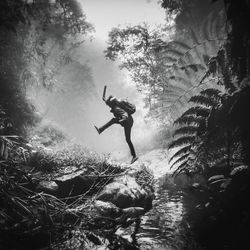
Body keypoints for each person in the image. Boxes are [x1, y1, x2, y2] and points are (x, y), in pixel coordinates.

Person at [94, 95, 138, 164]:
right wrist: (105, 100)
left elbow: (125, 115)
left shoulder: (116, 109)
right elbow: (108, 102)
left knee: (127, 139)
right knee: (114, 121)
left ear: (111, 104)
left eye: (109, 104)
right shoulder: (115, 105)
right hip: (129, 121)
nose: (108, 106)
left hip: (127, 122)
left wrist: (121, 120)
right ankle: (100, 130)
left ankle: (134, 156)